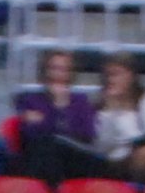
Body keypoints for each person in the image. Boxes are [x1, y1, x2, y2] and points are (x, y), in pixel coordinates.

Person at [14, 49, 99, 185]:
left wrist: (58, 110)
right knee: (45, 149)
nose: (58, 74)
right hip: (40, 157)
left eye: (64, 70)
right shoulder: (30, 100)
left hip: (73, 159)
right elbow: (31, 134)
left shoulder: (81, 102)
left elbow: (87, 134)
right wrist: (57, 111)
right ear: (45, 71)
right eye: (54, 68)